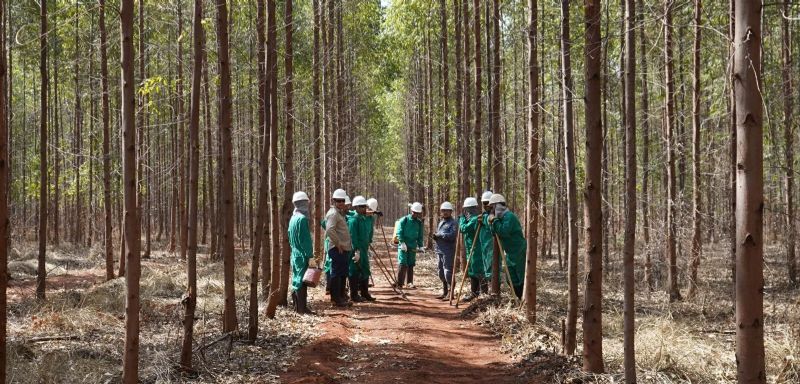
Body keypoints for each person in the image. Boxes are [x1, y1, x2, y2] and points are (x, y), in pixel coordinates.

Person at [487, 193, 526, 299]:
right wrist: (490, 221)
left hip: (519, 250)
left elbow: (504, 231)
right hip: (509, 253)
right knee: (511, 278)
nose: (492, 210)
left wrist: (494, 221)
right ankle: (519, 298)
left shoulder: (509, 217)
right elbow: (494, 233)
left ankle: (523, 300)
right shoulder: (500, 218)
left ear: (498, 206)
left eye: (493, 207)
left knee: (520, 277)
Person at [288, 191, 316, 314]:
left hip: (294, 254)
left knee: (296, 279)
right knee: (301, 280)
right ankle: (301, 309)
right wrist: (310, 256)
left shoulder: (293, 218)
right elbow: (305, 241)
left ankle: (297, 307)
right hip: (302, 255)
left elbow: (290, 237)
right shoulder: (302, 219)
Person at [325, 188, 354, 307]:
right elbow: (329, 229)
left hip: (343, 249)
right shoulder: (333, 214)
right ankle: (336, 298)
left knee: (342, 273)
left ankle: (341, 297)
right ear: (334, 201)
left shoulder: (340, 213)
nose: (341, 203)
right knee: (337, 273)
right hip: (337, 249)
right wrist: (338, 244)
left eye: (342, 200)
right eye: (338, 201)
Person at [347, 196, 375, 302]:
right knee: (354, 270)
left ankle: (365, 293)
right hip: (355, 250)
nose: (364, 208)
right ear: (356, 207)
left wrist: (367, 246)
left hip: (364, 249)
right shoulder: (353, 220)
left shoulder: (363, 219)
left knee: (365, 269)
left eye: (365, 206)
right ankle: (353, 295)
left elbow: (367, 235)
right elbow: (353, 237)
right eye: (362, 206)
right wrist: (356, 251)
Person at [458, 197, 485, 302]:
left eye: (468, 209)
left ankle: (481, 293)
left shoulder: (474, 219)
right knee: (472, 271)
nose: (467, 211)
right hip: (471, 248)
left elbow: (463, 228)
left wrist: (461, 219)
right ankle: (475, 293)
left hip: (476, 249)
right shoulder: (470, 218)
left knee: (477, 270)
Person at [396, 202, 424, 288]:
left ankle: (409, 283)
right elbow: (399, 232)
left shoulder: (419, 223)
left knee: (411, 263)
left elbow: (420, 236)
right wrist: (402, 242)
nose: (415, 214)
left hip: (412, 246)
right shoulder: (404, 220)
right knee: (403, 263)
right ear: (411, 211)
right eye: (414, 212)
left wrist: (421, 245)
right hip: (403, 245)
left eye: (417, 213)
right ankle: (399, 283)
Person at [433, 202, 457, 299]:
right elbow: (439, 234)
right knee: (441, 272)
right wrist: (436, 237)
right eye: (443, 211)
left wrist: (441, 235)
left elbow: (452, 236)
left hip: (448, 250)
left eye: (447, 211)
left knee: (448, 272)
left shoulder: (454, 223)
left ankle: (451, 294)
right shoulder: (441, 222)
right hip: (439, 250)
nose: (445, 212)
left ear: (451, 211)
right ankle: (445, 292)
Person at [478, 191, 495, 294]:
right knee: (483, 268)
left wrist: (485, 219)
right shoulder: (484, 215)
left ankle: (494, 291)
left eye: (488, 203)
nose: (486, 205)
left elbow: (491, 224)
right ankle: (484, 293)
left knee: (492, 268)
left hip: (492, 246)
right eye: (484, 203)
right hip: (483, 245)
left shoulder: (495, 215)